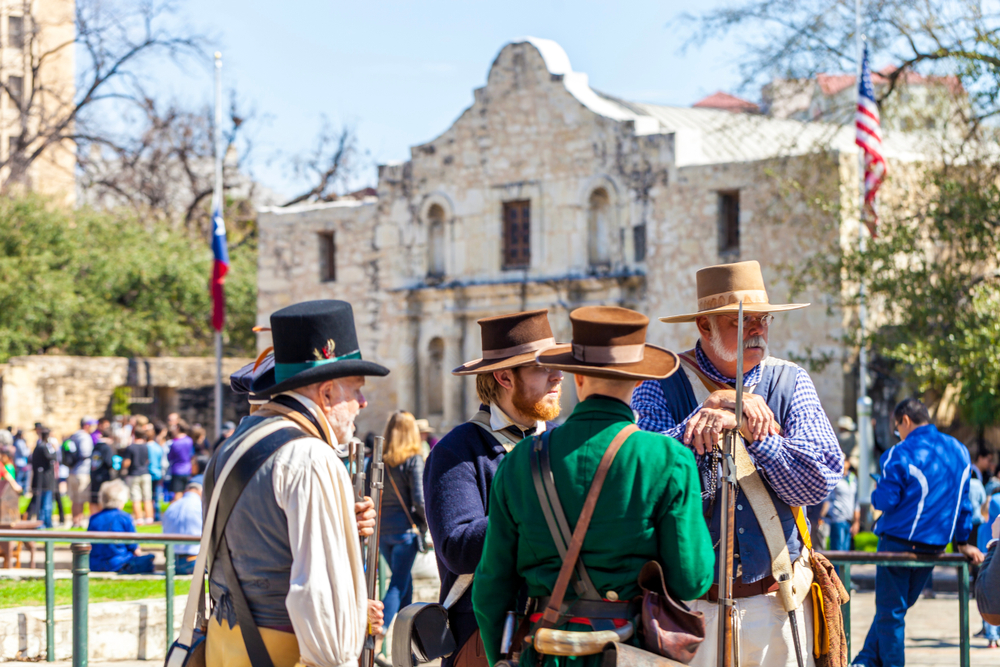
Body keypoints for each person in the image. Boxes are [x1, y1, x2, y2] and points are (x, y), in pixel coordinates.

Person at [473, 306, 714, 667]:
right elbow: (691, 579)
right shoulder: (667, 458)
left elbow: (490, 590)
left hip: (542, 653)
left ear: (577, 378)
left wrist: (501, 659)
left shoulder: (520, 460)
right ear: (638, 381)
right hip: (627, 653)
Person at [631, 260, 844, 667]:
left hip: (775, 601)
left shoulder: (790, 380)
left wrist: (754, 432)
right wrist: (707, 413)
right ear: (704, 327)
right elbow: (646, 477)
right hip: (690, 608)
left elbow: (818, 480)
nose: (757, 329)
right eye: (739, 321)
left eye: (762, 320)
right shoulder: (660, 383)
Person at [206, 299, 386, 666]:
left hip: (224, 643)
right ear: (326, 393)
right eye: (355, 390)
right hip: (284, 652)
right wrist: (339, 649)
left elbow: (261, 542)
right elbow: (316, 593)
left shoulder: (234, 444)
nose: (362, 402)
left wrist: (341, 526)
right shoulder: (309, 456)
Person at [424, 309, 564, 667]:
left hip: (558, 633)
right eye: (542, 368)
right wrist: (538, 506)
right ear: (504, 376)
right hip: (486, 638)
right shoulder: (457, 450)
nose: (557, 376)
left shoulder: (561, 444)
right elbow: (458, 547)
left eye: (556, 365)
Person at [852, 398, 984, 667]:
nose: (897, 433)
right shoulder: (960, 451)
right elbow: (964, 502)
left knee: (890, 615)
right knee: (894, 613)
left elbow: (886, 501)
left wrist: (876, 492)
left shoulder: (899, 452)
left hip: (897, 545)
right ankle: (863, 660)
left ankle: (875, 662)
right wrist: (962, 542)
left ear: (906, 421)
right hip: (934, 547)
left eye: (896, 427)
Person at [373, 410, 427, 632]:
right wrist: (427, 524)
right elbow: (420, 500)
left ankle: (409, 639)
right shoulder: (413, 460)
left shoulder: (379, 461)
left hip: (383, 530)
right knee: (397, 583)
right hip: (405, 530)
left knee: (404, 584)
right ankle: (379, 629)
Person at [88, 479, 155, 574]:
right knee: (149, 559)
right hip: (119, 564)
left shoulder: (94, 518)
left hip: (95, 564)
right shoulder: (124, 517)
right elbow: (134, 547)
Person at [162, 475, 203, 575]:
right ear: (201, 490)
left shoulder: (171, 507)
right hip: (195, 562)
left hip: (172, 562)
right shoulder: (201, 507)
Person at [64, 418, 97, 528]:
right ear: (87, 425)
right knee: (81, 500)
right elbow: (85, 453)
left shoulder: (73, 435)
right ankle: (78, 522)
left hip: (72, 471)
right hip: (82, 472)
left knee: (75, 500)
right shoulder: (85, 437)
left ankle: (75, 521)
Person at [121, 425, 154, 525]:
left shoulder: (131, 447)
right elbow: (148, 460)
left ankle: (139, 519)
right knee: (147, 497)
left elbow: (127, 462)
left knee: (136, 498)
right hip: (145, 473)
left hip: (134, 474)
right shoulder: (146, 446)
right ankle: (149, 518)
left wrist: (122, 466)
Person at [30, 428, 58, 528]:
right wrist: (54, 450)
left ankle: (44, 523)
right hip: (45, 479)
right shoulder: (44, 447)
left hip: (41, 478)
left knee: (43, 502)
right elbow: (52, 457)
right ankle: (44, 523)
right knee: (46, 504)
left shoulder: (38, 447)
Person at [89, 430, 116, 514]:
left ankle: (94, 515)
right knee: (103, 497)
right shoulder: (106, 448)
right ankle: (102, 515)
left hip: (94, 475)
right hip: (103, 476)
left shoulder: (96, 446)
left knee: (94, 498)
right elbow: (109, 463)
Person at [166, 421, 194, 499]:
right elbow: (191, 455)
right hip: (188, 469)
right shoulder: (189, 440)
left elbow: (170, 457)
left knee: (177, 495)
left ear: (178, 428)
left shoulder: (175, 443)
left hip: (177, 470)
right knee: (186, 493)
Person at [147, 431, 165, 521]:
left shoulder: (146, 447)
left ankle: (152, 515)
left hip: (149, 473)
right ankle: (157, 515)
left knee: (149, 496)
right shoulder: (158, 447)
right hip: (158, 473)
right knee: (157, 496)